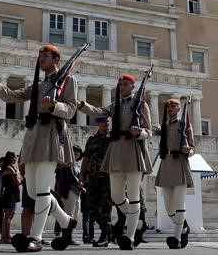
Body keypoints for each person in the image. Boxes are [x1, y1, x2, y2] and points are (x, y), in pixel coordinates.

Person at [0, 43, 79, 252]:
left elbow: (70, 109)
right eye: (40, 56)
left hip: (51, 134)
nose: (41, 59)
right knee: (33, 192)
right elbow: (9, 96)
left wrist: (54, 105)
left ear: (56, 59)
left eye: (46, 56)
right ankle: (67, 221)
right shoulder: (38, 85)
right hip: (33, 137)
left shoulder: (68, 81)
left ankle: (37, 238)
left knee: (41, 192)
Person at [78, 73, 152, 250]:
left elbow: (148, 130)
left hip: (133, 150)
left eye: (125, 84)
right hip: (116, 150)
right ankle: (138, 222)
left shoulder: (141, 104)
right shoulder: (115, 105)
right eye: (120, 84)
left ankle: (131, 237)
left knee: (133, 197)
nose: (121, 86)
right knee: (116, 196)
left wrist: (139, 132)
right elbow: (98, 112)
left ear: (133, 87)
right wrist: (81, 104)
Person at [155, 97, 195, 249]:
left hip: (180, 164)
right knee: (169, 207)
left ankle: (177, 238)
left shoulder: (185, 125)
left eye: (173, 106)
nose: (170, 108)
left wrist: (188, 151)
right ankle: (184, 227)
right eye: (168, 106)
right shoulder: (164, 126)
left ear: (179, 109)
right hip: (166, 164)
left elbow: (192, 147)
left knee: (179, 204)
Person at [82, 115, 112, 247]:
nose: (106, 124)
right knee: (92, 206)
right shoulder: (92, 140)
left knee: (106, 207)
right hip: (93, 177)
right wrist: (82, 174)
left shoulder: (113, 139)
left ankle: (104, 236)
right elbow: (86, 158)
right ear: (98, 123)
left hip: (108, 177)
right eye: (103, 122)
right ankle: (108, 229)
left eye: (108, 122)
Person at [54, 145, 83, 245]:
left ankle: (70, 236)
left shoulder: (76, 165)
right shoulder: (67, 163)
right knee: (68, 214)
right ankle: (66, 237)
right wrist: (80, 186)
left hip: (76, 193)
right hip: (69, 191)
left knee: (75, 215)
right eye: (74, 152)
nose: (76, 154)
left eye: (78, 152)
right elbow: (71, 177)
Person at [1, 151, 22, 243]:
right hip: (10, 194)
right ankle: (5, 237)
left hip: (12, 194)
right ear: (10, 157)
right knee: (8, 216)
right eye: (14, 157)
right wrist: (18, 176)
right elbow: (17, 182)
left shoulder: (10, 168)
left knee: (10, 215)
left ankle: (6, 236)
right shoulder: (9, 168)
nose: (15, 159)